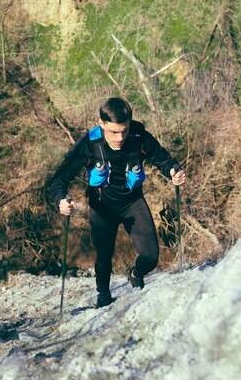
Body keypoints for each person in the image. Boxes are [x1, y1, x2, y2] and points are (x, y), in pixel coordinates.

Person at [50, 97, 186, 308]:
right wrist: (61, 199)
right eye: (114, 132)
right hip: (102, 207)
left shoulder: (139, 136)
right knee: (104, 256)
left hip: (133, 203)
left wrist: (173, 171)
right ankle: (103, 293)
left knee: (150, 256)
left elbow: (162, 158)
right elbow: (60, 178)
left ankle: (136, 273)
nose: (120, 137)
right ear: (101, 123)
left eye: (124, 130)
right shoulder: (89, 143)